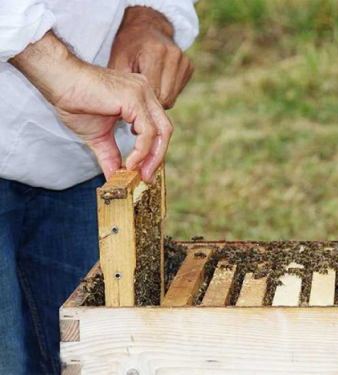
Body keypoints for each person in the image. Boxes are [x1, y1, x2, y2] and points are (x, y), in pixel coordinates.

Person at [0, 0, 198, 373]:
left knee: (103, 354)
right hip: (69, 98)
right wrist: (59, 68)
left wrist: (148, 17)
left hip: (88, 150)